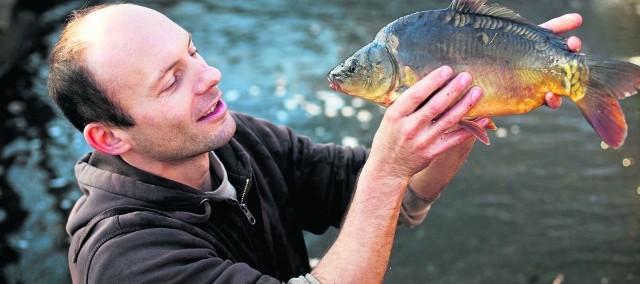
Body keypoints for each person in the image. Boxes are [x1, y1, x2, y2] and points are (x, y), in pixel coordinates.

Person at [47, 3, 582, 283]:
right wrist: (388, 172)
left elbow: (402, 201)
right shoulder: (124, 260)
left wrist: (466, 100)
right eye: (171, 80)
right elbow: (387, 181)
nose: (210, 74)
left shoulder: (236, 141)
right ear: (109, 137)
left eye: (193, 52)